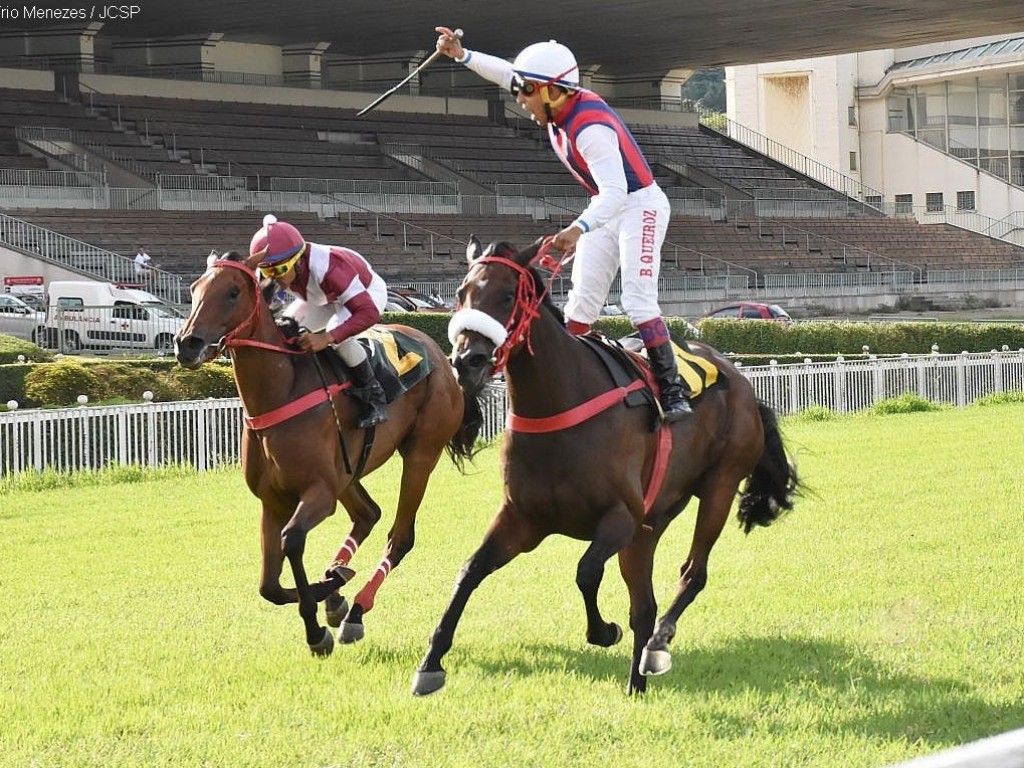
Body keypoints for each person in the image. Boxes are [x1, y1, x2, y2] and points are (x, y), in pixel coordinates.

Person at [435, 28, 692, 422]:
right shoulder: (556, 100)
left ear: (552, 90)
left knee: (637, 301)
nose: (521, 101)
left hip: (638, 205)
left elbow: (616, 191)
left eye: (527, 93)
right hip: (606, 207)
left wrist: (578, 229)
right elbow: (507, 73)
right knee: (580, 307)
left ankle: (673, 392)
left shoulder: (590, 130)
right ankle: (576, 389)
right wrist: (462, 54)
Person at [249, 214, 389, 429]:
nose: (272, 278)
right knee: (286, 328)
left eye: (279, 271)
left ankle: (375, 395)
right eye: (267, 271)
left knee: (336, 332)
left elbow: (369, 313)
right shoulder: (273, 266)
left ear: (298, 260)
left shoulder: (330, 267)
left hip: (366, 294)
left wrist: (326, 338)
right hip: (322, 297)